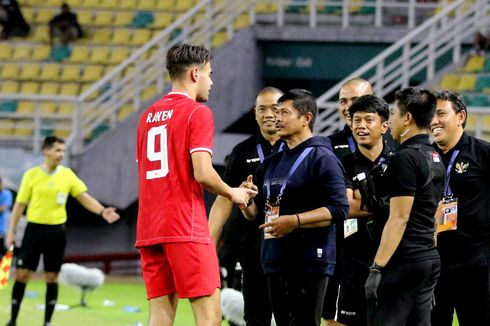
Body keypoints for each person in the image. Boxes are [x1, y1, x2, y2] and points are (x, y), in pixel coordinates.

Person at [135, 43, 254, 326]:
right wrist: (233, 192)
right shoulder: (196, 113)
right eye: (210, 74)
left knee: (161, 314)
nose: (212, 82)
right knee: (209, 316)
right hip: (184, 224)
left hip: (150, 227)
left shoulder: (147, 117)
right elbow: (202, 173)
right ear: (194, 73)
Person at [241, 89, 349, 326]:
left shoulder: (322, 157)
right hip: (274, 259)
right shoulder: (271, 163)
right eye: (276, 112)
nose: (277, 118)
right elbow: (256, 213)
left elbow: (340, 209)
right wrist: (246, 200)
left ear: (306, 118)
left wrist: (295, 221)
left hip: (310, 262)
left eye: (284, 113)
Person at [4, 135, 120, 326]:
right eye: (58, 150)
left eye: (63, 151)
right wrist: (11, 232)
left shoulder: (67, 175)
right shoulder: (32, 175)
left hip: (56, 232)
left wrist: (102, 211)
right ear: (46, 151)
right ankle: (13, 320)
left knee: (52, 276)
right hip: (34, 230)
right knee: (22, 274)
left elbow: (83, 197)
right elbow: (19, 206)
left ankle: (47, 322)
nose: (61, 154)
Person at [364, 87, 445, 326]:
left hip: (403, 260)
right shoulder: (434, 155)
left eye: (393, 114)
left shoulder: (405, 158)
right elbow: (435, 214)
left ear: (407, 118)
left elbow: (399, 219)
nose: (391, 121)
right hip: (427, 258)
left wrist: (377, 268)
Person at [208, 87, 284, 326]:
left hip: (291, 247)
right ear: (255, 113)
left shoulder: (299, 148)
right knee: (255, 317)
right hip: (253, 247)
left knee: (290, 316)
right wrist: (208, 241)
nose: (269, 114)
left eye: (275, 108)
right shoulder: (242, 152)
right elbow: (223, 198)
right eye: (262, 109)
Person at [430, 90, 490, 326]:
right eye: (431, 115)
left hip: (475, 263)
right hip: (434, 262)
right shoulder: (423, 156)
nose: (434, 121)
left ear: (461, 116)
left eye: (441, 113)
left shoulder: (483, 153)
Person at [336, 95, 395, 326]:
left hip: (393, 259)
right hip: (354, 259)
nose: (360, 126)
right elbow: (345, 206)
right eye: (356, 120)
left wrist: (362, 199)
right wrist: (386, 203)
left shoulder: (399, 160)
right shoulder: (343, 163)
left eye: (368, 120)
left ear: (384, 126)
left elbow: (409, 207)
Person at [324, 77, 374, 326]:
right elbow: (340, 204)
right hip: (339, 253)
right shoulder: (327, 147)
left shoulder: (393, 146)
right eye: (343, 101)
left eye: (355, 100)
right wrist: (386, 204)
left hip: (383, 253)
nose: (348, 106)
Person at [0, 175, 13, 257]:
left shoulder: (6, 193)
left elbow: (3, 208)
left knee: (2, 247)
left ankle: (8, 262)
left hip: (1, 227)